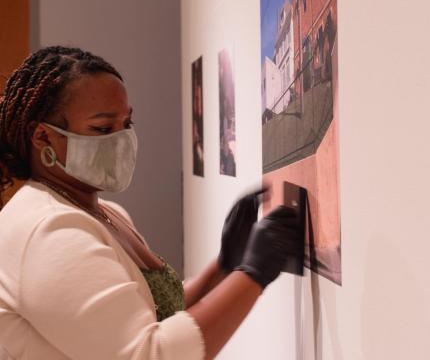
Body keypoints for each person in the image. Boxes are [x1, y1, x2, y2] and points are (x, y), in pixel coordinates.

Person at [0, 46, 303, 360]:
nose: (121, 140)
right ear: (43, 138)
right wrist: (253, 274)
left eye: (126, 124)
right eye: (103, 129)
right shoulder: (47, 234)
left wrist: (225, 266)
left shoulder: (106, 213)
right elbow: (148, 352)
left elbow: (146, 313)